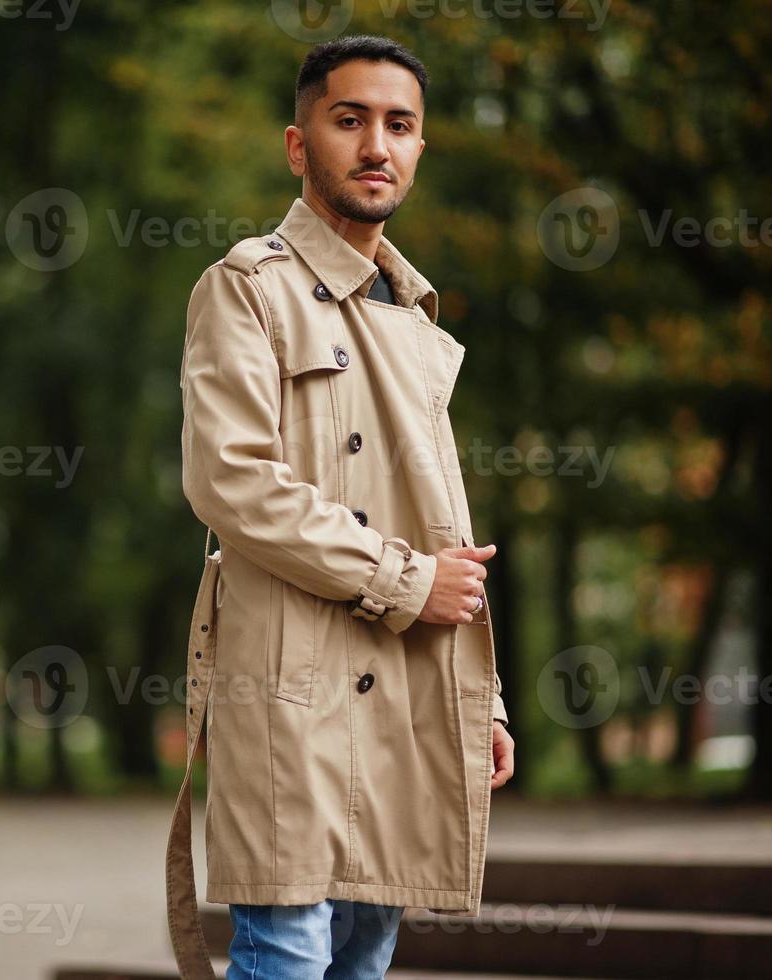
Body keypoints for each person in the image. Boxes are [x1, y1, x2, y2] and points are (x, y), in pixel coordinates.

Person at [169, 34, 515, 980]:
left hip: (406, 694)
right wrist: (405, 580)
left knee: (362, 966)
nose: (376, 145)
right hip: (290, 694)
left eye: (398, 125)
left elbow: (444, 526)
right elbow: (230, 480)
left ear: (417, 149)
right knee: (284, 954)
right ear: (298, 143)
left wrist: (482, 700)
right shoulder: (248, 287)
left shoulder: (411, 316)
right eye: (349, 118)